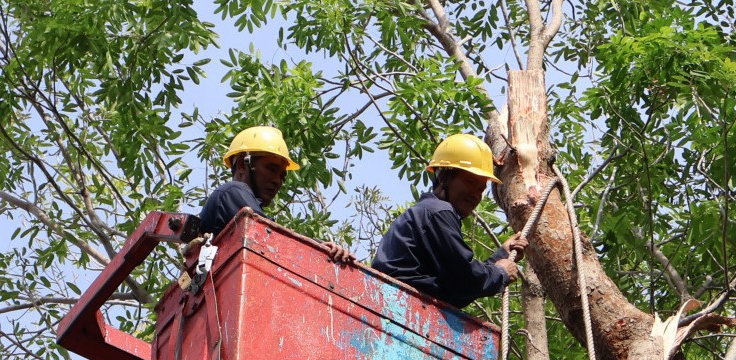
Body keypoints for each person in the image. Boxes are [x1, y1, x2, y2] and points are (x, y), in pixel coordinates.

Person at [372, 134, 525, 308]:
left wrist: (502, 255)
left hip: (396, 304)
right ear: (444, 177)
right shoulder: (439, 212)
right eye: (469, 182)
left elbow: (456, 284)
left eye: (481, 189)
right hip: (399, 304)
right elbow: (464, 282)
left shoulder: (425, 212)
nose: (475, 194)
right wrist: (500, 273)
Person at [198, 125, 352, 263]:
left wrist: (320, 248)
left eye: (282, 176)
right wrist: (317, 249)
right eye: (271, 169)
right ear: (242, 166)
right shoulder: (232, 191)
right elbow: (269, 235)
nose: (277, 180)